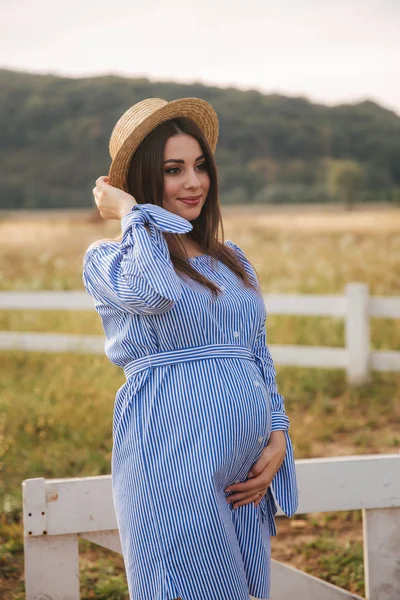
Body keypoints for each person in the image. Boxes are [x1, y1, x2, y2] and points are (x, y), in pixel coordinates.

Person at [82, 97, 298, 600]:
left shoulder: (232, 259)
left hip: (245, 477)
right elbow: (155, 293)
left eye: (200, 166)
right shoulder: (108, 260)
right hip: (172, 464)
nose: (194, 182)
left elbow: (258, 353)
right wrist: (133, 216)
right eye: (173, 169)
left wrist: (278, 436)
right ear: (138, 179)